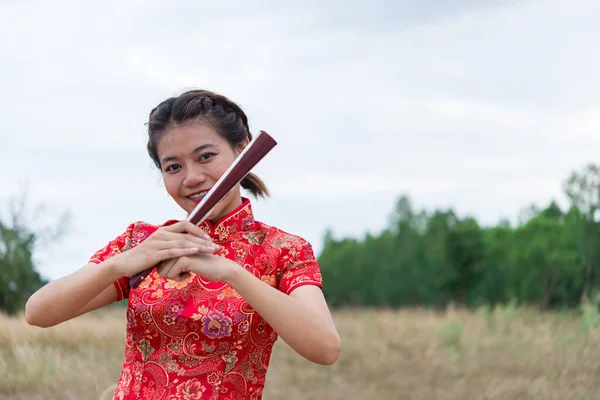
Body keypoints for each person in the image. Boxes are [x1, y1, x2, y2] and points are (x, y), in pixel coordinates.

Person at [25, 89, 341, 400]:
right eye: (173, 166)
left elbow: (325, 348)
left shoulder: (282, 249)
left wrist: (233, 273)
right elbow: (38, 313)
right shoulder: (144, 242)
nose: (191, 178)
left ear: (243, 151)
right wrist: (123, 262)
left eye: (206, 157)